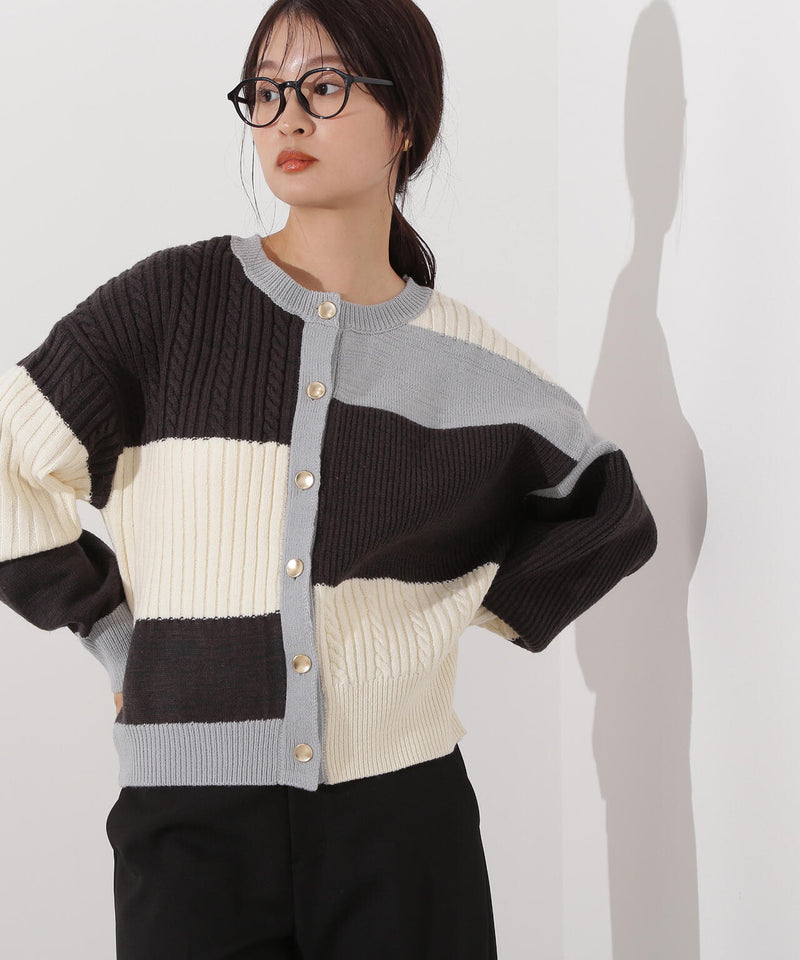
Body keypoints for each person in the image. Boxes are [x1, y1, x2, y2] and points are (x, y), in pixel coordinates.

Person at [0, 1, 657, 958]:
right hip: (189, 827)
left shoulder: (472, 366)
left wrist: (436, 612)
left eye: (324, 85)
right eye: (266, 92)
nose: (289, 117)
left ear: (406, 122)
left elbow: (609, 513)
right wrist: (112, 634)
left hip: (405, 825)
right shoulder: (170, 308)